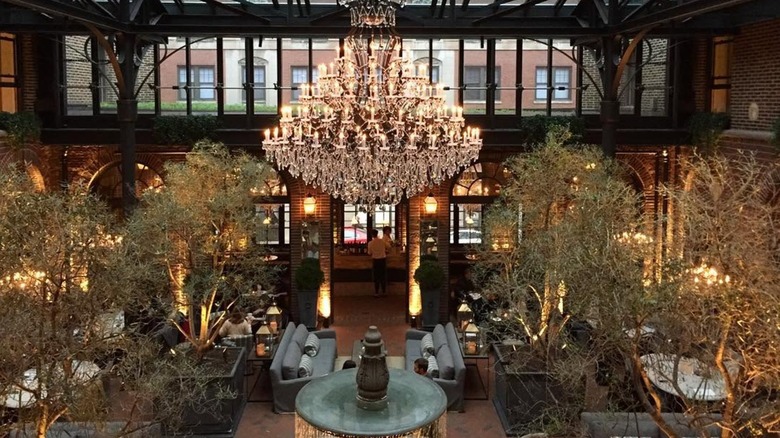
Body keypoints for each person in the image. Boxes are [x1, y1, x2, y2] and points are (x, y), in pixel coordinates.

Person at [367, 229, 387, 297]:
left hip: (375, 260)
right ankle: (384, 292)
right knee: (383, 276)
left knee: (376, 277)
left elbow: (369, 253)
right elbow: (389, 247)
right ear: (377, 233)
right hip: (383, 260)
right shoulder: (382, 241)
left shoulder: (370, 243)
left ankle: (376, 292)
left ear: (372, 235)